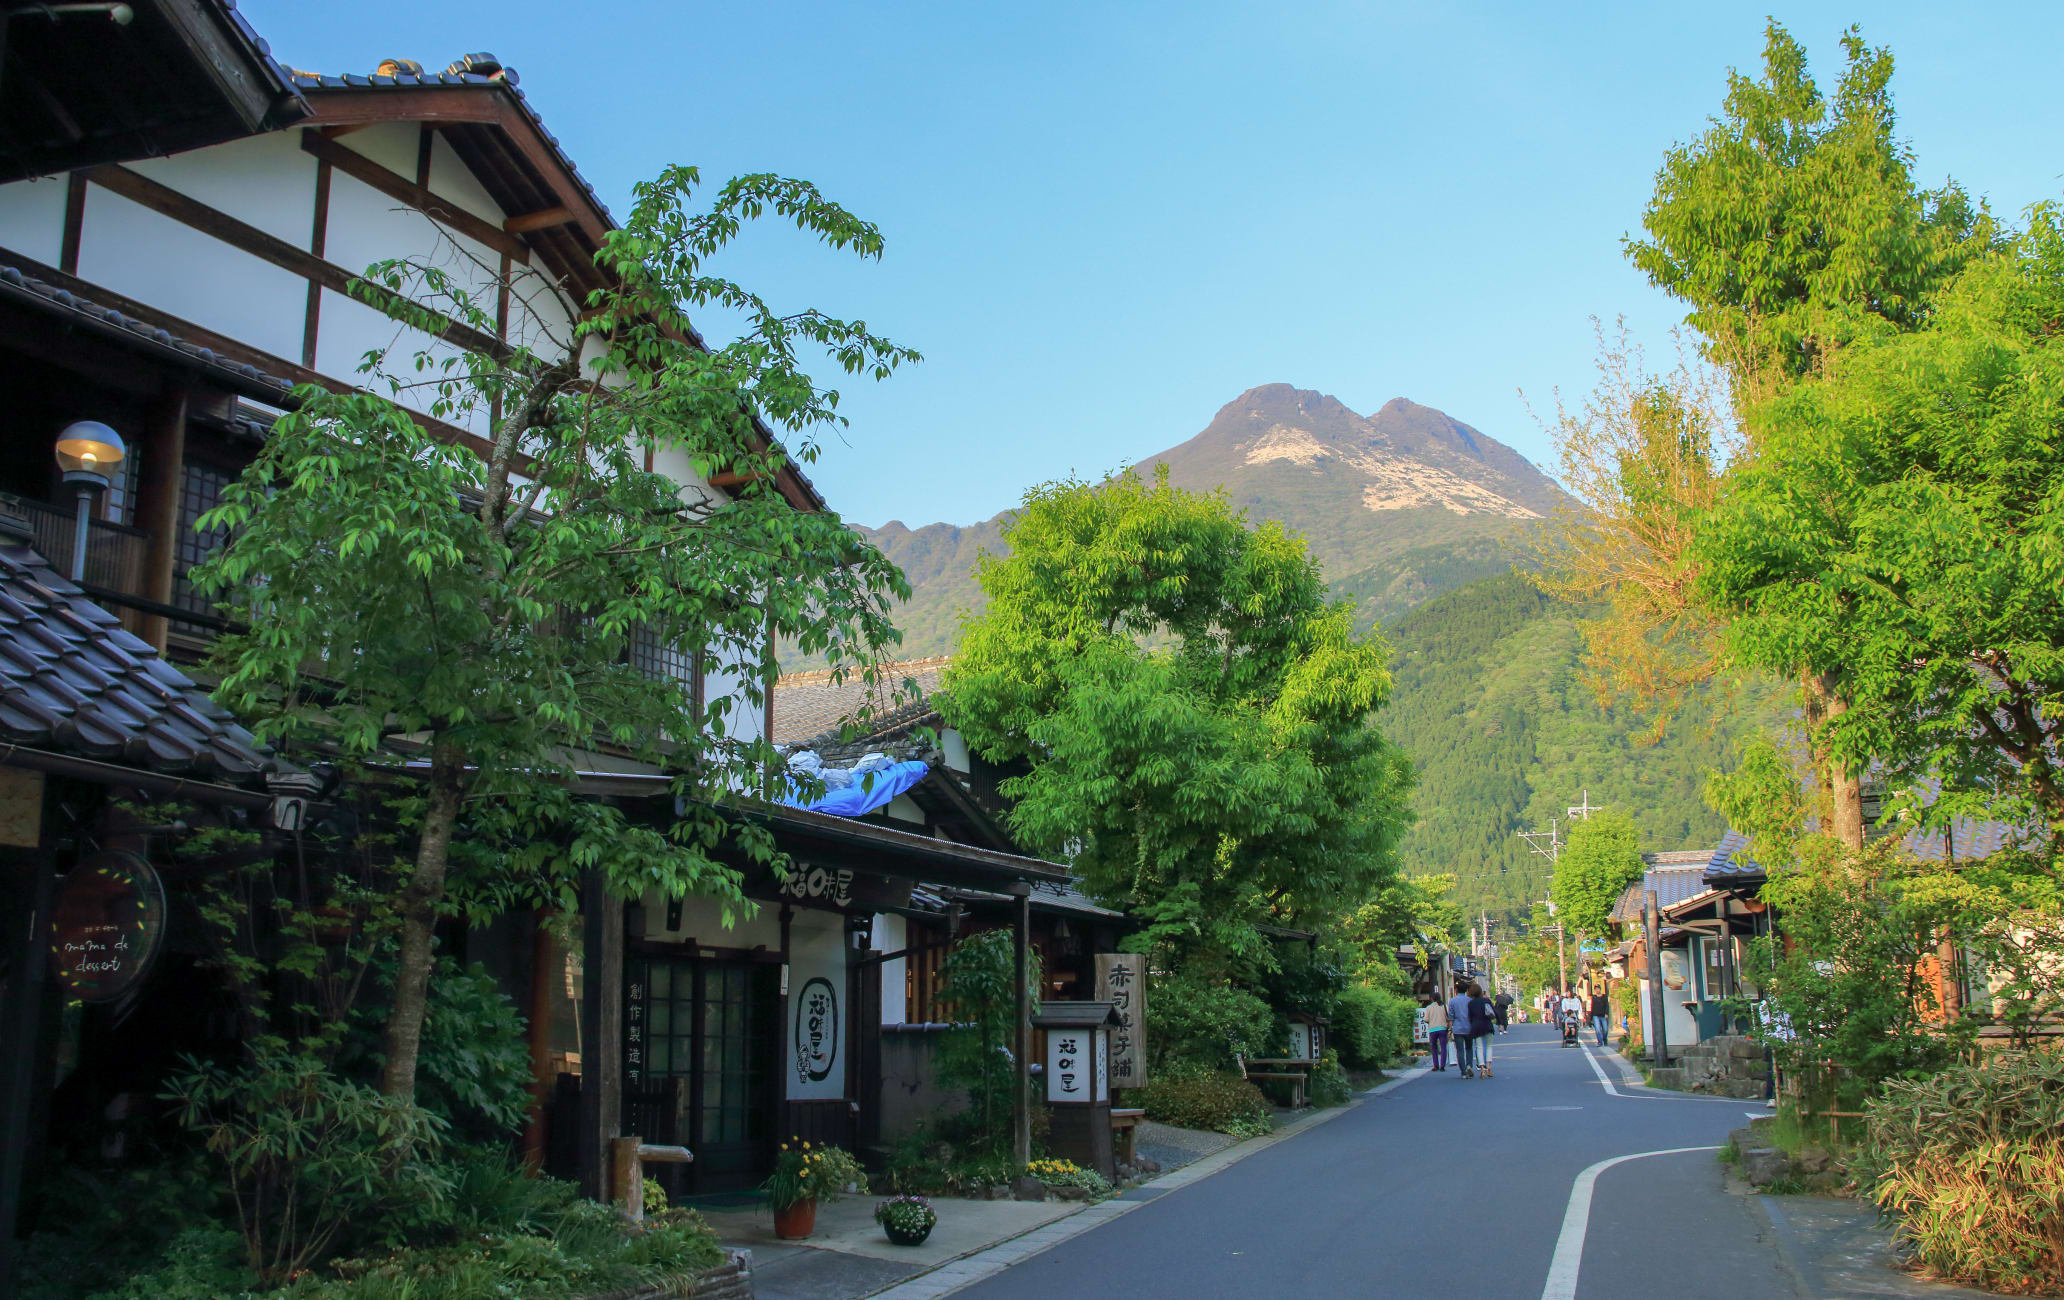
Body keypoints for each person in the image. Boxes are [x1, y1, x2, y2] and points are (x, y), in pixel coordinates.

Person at [1447, 983, 1478, 1078]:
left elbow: (1451, 1016)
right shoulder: (1470, 1001)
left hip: (1457, 1028)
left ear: (1456, 990)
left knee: (1460, 1051)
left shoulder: (1452, 1001)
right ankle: (1469, 1065)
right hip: (1469, 1027)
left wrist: (1450, 1029)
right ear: (1466, 991)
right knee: (1469, 1048)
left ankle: (1463, 1072)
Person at [1470, 984, 1497, 1076]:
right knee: (1489, 1046)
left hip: (1476, 1027)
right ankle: (1489, 1067)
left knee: (1479, 1047)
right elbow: (1493, 1012)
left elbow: (1469, 1017)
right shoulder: (1486, 1001)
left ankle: (1482, 1069)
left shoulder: (1471, 1003)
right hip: (1487, 1025)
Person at [1423, 993, 1450, 1072]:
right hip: (1442, 1029)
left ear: (1432, 999)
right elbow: (1448, 1017)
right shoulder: (1444, 1006)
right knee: (1443, 1047)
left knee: (1434, 1047)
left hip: (1432, 1030)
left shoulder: (1428, 1007)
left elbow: (1426, 1019)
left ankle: (1435, 1065)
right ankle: (1442, 1066)